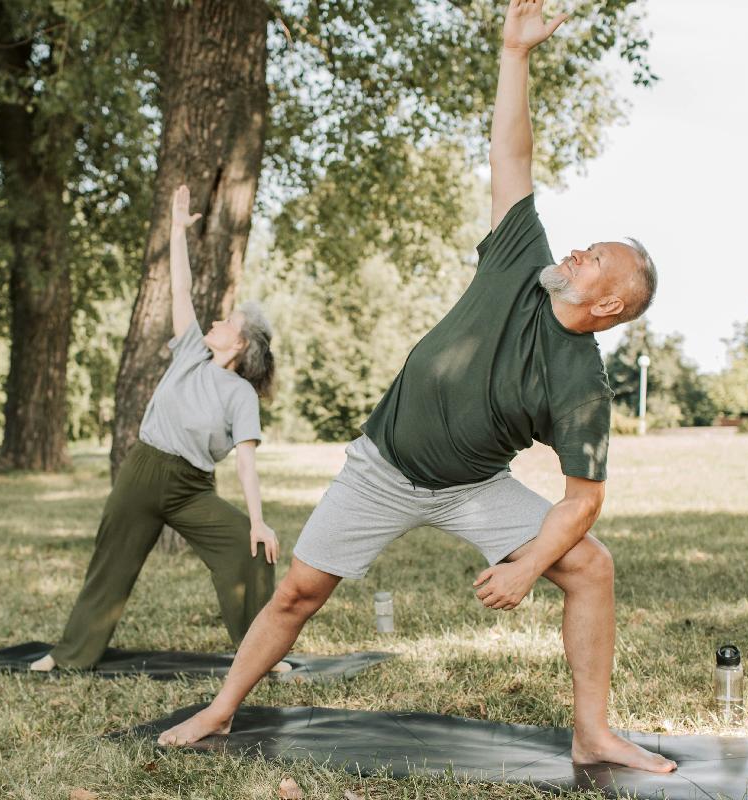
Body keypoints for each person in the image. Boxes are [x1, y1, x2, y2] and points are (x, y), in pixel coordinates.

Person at [159, 0, 674, 774]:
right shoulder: (519, 260)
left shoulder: (581, 383)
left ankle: (593, 733)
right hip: (383, 468)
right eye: (586, 245)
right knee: (299, 592)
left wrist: (528, 564)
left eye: (595, 259)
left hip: (471, 486)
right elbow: (511, 154)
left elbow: (583, 500)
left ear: (607, 306)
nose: (577, 251)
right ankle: (221, 710)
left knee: (591, 565)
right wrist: (513, 53)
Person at [30, 184, 280, 672]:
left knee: (249, 548)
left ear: (241, 344)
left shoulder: (240, 395)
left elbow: (246, 463)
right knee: (111, 563)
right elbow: (181, 287)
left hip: (191, 488)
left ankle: (261, 657)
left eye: (226, 321)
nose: (215, 319)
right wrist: (176, 231)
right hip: (143, 472)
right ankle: (70, 656)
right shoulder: (190, 350)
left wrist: (257, 520)